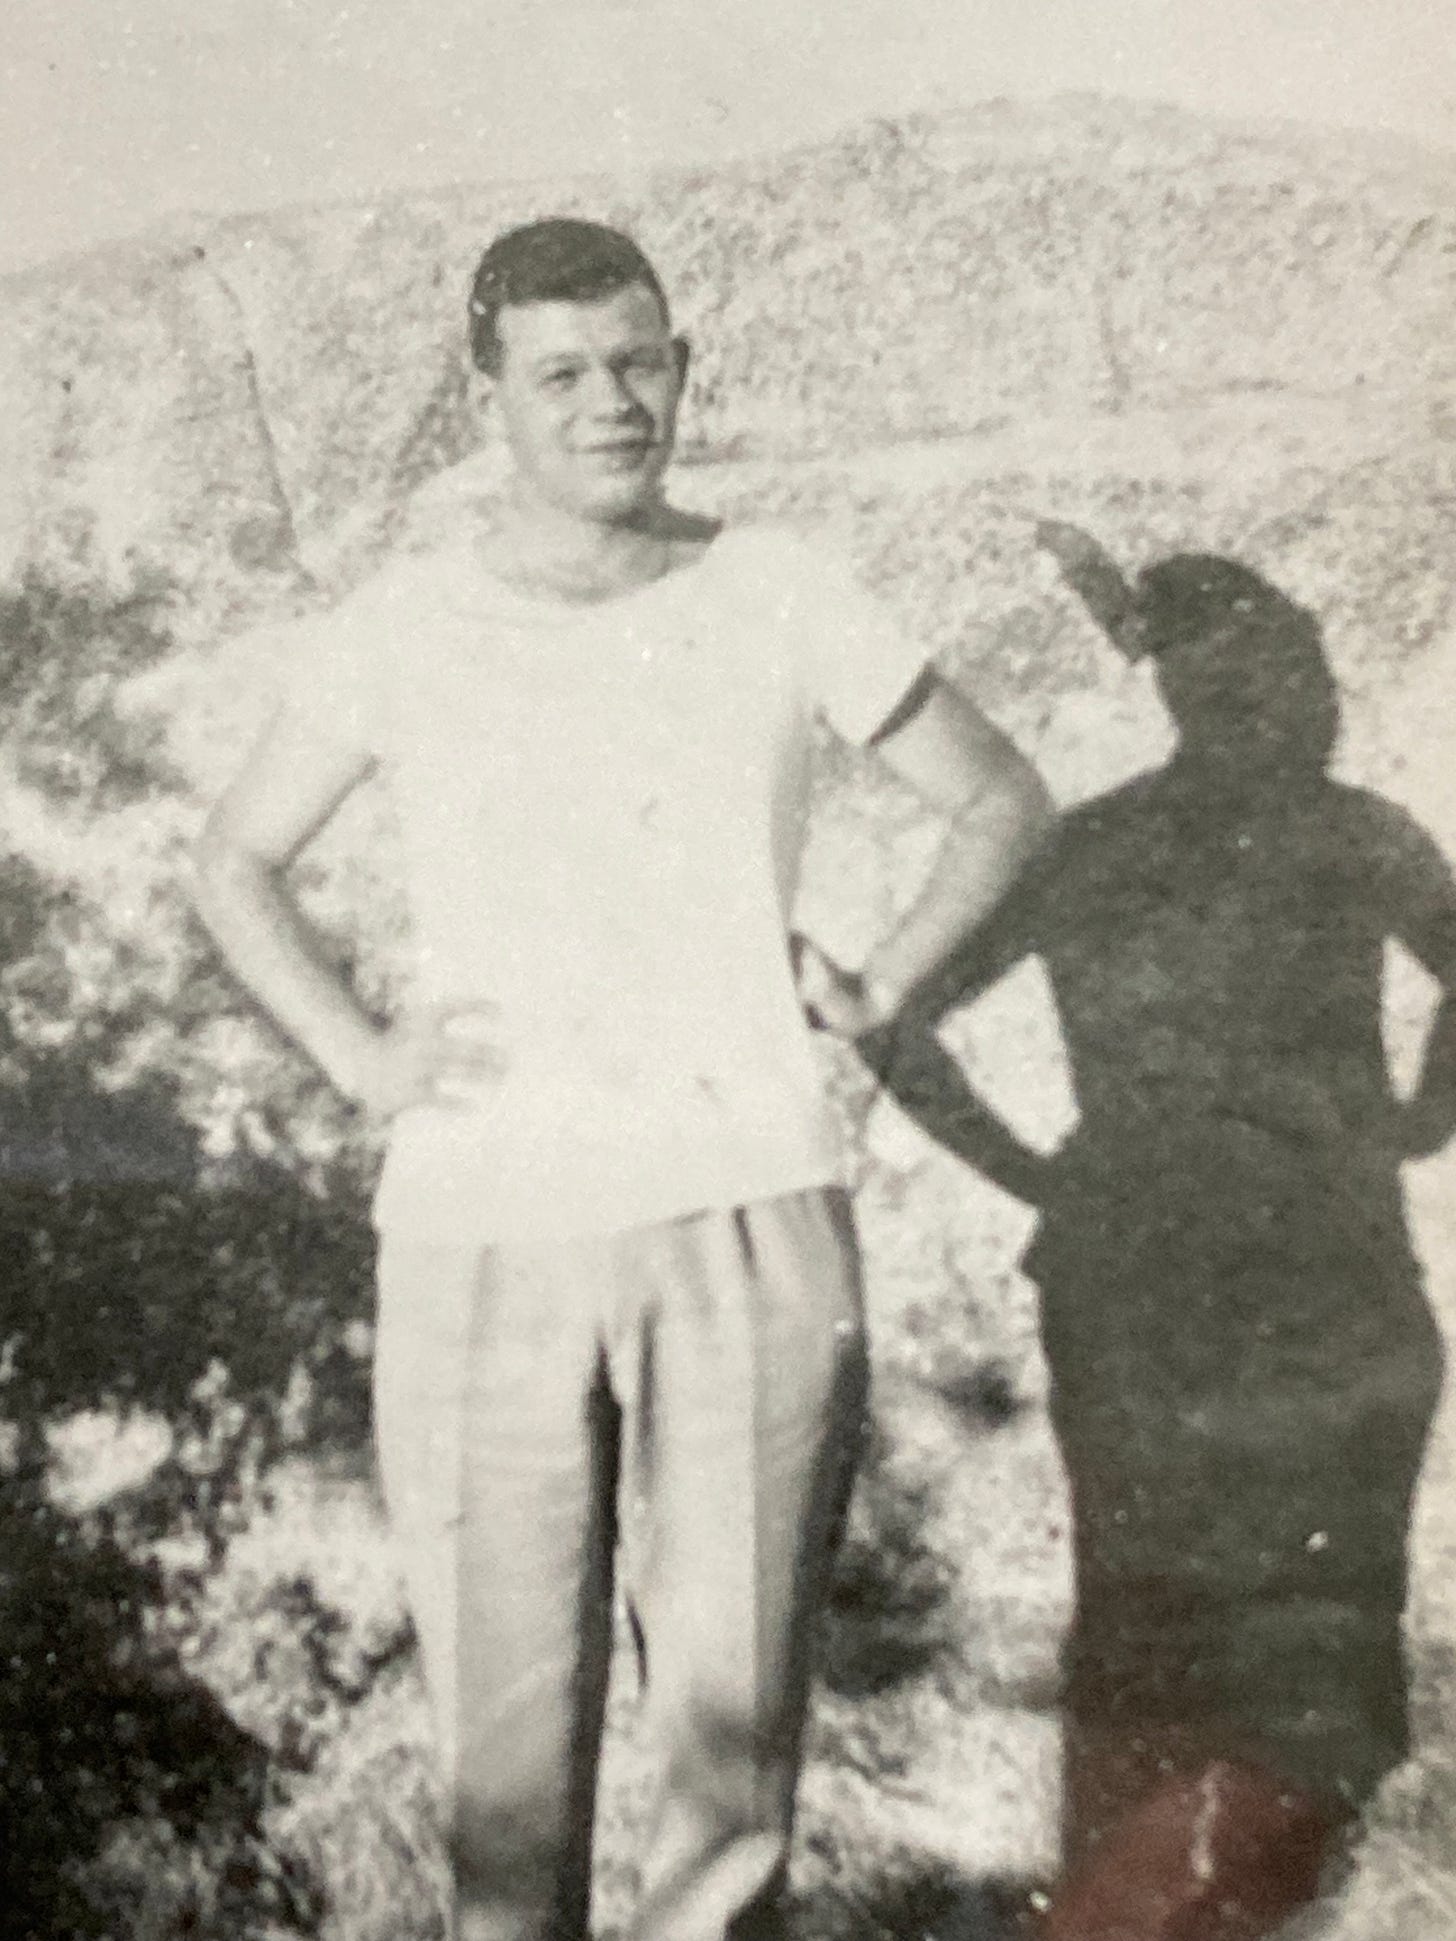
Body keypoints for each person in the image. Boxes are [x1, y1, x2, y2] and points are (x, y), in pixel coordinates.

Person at [190, 217, 1052, 1941]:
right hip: (481, 1231)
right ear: (486, 396)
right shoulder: (407, 621)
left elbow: (1004, 800)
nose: (611, 403)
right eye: (564, 372)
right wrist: (363, 1055)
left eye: (641, 363)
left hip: (748, 1210)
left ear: (684, 368)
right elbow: (235, 863)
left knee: (729, 1779)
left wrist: (878, 986)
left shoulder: (779, 588)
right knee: (503, 1779)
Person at [868, 527, 1456, 1940]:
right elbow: (893, 1019)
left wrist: (1035, 1175)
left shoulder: (1132, 842)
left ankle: (1197, 1906)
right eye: (1281, 674)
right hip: (1250, 1277)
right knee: (1249, 1625)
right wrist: (1420, 1119)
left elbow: (896, 1022)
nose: (1310, 703)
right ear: (1207, 688)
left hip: (1227, 1273)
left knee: (1191, 1625)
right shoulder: (1333, 831)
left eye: (1307, 674)